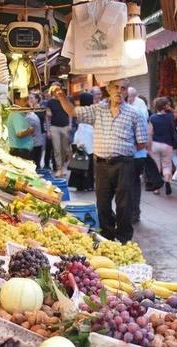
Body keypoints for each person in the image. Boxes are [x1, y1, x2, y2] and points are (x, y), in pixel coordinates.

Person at [54, 79, 148, 243]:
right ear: (109, 89)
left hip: (124, 163)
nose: (119, 91)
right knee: (103, 203)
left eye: (123, 88)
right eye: (116, 88)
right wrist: (61, 96)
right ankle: (107, 236)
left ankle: (124, 238)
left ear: (126, 92)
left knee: (124, 204)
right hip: (102, 164)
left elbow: (142, 142)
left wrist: (122, 148)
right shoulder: (98, 110)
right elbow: (72, 112)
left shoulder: (135, 114)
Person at [127, 87, 150, 223]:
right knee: (134, 183)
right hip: (138, 154)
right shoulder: (141, 107)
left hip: (134, 154)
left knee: (130, 184)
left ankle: (133, 212)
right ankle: (134, 211)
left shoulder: (136, 110)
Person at [149, 97, 177, 195]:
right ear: (166, 106)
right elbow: (176, 114)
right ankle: (167, 181)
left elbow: (150, 133)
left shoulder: (152, 118)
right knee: (167, 165)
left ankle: (156, 188)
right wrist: (170, 108)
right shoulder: (170, 116)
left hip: (155, 144)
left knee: (156, 165)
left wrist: (148, 146)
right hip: (167, 144)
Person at [68, 92, 95, 191]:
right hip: (89, 137)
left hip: (80, 136)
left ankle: (79, 184)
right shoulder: (91, 111)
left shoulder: (79, 111)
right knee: (88, 164)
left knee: (79, 162)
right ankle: (88, 184)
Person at [46, 82, 71, 177]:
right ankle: (59, 168)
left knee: (65, 148)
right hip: (54, 127)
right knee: (56, 148)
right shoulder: (50, 102)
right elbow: (47, 117)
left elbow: (70, 112)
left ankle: (64, 167)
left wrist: (70, 124)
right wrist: (48, 130)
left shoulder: (65, 99)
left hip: (65, 126)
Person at [6, 95, 34, 161]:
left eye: (27, 100)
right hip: (20, 151)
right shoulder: (16, 115)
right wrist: (30, 130)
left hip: (21, 150)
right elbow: (19, 134)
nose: (27, 102)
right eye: (24, 100)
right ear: (16, 101)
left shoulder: (18, 114)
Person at [25, 93, 45, 166]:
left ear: (37, 99)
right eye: (29, 98)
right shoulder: (31, 114)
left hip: (36, 138)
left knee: (35, 161)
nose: (30, 100)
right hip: (35, 139)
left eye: (31, 98)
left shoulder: (33, 115)